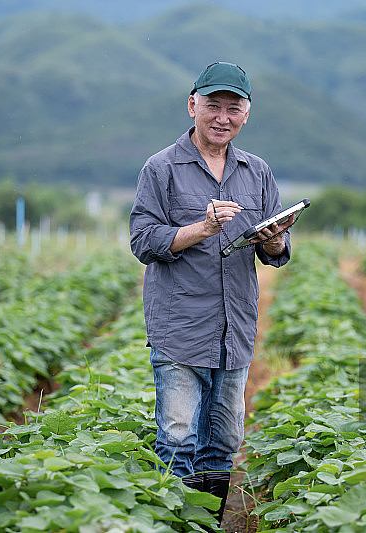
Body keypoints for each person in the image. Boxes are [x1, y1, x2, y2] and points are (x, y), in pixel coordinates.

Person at [128, 61, 295, 527]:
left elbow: (276, 252)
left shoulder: (257, 172)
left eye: (233, 108)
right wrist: (200, 228)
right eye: (212, 106)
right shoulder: (161, 168)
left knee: (223, 442)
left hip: (234, 327)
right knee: (178, 437)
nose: (222, 117)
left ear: (247, 114)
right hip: (180, 325)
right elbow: (144, 241)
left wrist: (276, 238)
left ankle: (205, 524)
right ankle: (174, 524)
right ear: (192, 105)